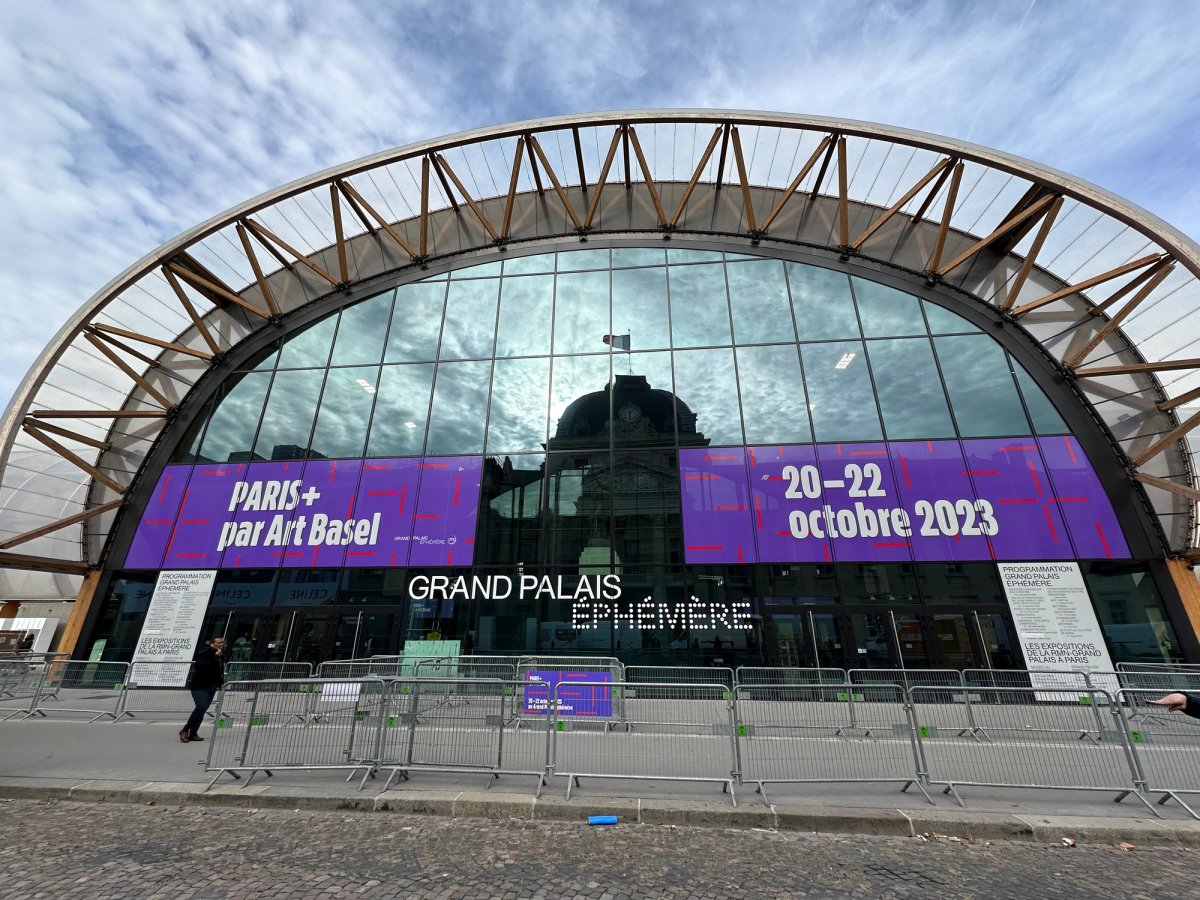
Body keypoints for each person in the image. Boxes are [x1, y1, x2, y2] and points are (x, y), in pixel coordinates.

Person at [180, 637, 225, 743]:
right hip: (199, 685)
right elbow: (200, 666)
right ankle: (185, 730)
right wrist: (215, 657)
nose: (221, 644)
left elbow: (219, 670)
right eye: (218, 642)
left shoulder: (221, 654)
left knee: (202, 710)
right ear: (212, 644)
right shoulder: (204, 653)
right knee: (201, 707)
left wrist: (220, 682)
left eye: (222, 642)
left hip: (212, 686)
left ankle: (193, 733)